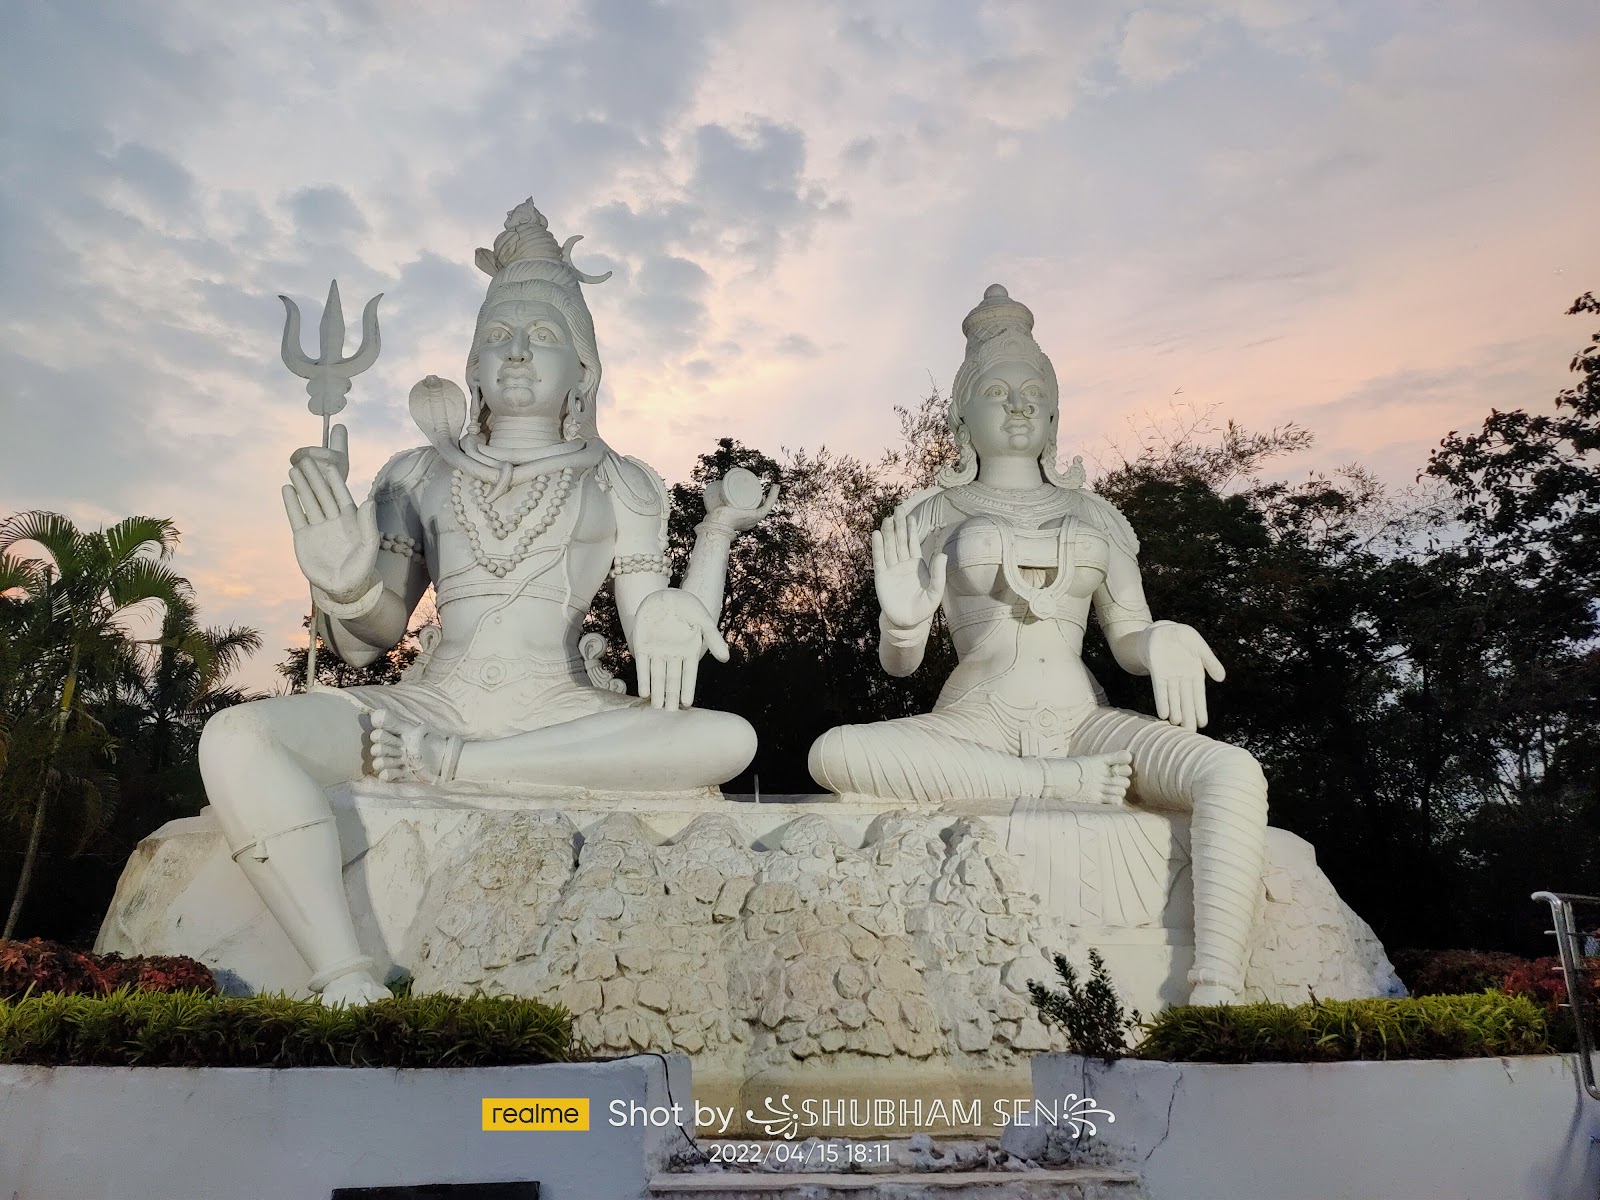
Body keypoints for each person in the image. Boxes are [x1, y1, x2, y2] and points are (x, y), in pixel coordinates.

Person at [199, 201, 769, 1005]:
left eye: (543, 338)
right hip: (427, 708)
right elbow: (372, 640)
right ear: (469, 366)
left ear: (585, 369)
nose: (516, 354)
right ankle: (342, 974)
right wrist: (345, 582)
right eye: (498, 336)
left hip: (557, 716)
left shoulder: (623, 482)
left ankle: (471, 769)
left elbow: (652, 631)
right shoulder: (417, 472)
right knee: (235, 736)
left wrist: (683, 599)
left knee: (727, 738)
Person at [807, 284, 1268, 1005]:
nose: (1018, 406)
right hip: (977, 720)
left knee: (1234, 774)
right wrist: (901, 624)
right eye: (996, 391)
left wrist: (1165, 639)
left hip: (1084, 722)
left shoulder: (1097, 516)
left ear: (1054, 414)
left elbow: (1128, 637)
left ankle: (1218, 989)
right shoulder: (932, 514)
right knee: (834, 752)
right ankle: (1052, 786)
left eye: (1033, 393)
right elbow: (899, 665)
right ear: (961, 416)